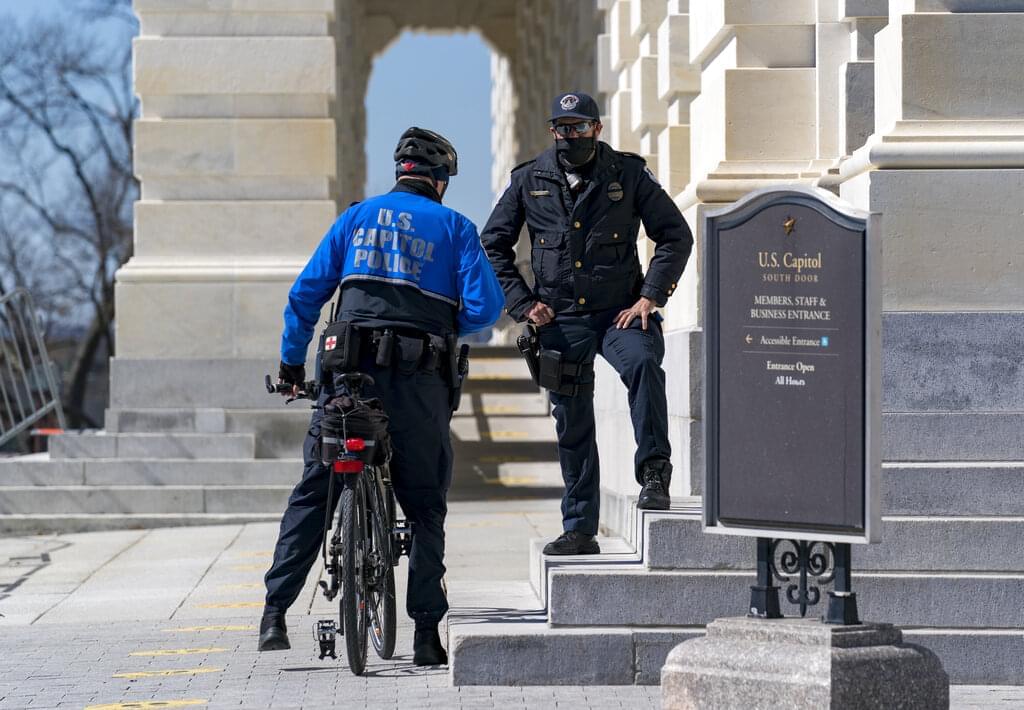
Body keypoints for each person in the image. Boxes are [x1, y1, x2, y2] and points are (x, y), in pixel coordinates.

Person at [259, 127, 504, 665]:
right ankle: (423, 636)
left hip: (347, 376)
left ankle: (274, 615)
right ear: (440, 181)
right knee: (423, 507)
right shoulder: (456, 227)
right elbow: (487, 309)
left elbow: (305, 295)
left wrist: (290, 363)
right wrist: (438, 324)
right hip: (419, 382)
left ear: (399, 173)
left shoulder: (354, 218)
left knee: (315, 491)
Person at [481, 92, 693, 556]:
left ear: (597, 129)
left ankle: (654, 474)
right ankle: (579, 529)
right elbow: (491, 246)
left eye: (578, 127)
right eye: (560, 128)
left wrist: (651, 296)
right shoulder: (528, 179)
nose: (568, 136)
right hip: (561, 319)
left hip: (619, 313)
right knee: (572, 421)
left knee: (642, 367)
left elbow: (675, 235)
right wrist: (522, 304)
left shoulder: (629, 173)